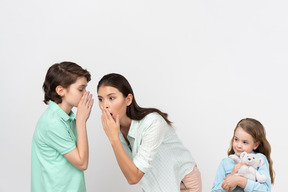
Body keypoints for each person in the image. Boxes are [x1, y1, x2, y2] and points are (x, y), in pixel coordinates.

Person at [97, 73, 202, 192]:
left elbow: (133, 177)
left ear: (128, 99)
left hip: (182, 181)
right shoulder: (116, 130)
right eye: (100, 99)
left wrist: (114, 139)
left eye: (111, 98)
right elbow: (130, 172)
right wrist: (114, 137)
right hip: (153, 185)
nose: (104, 106)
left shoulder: (153, 123)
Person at [31, 62, 94, 192]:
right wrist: (81, 121)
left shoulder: (66, 118)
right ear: (60, 90)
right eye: (81, 89)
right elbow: (82, 163)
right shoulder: (52, 122)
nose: (85, 94)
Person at [211, 118, 275, 191]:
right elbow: (214, 190)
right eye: (236, 139)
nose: (238, 145)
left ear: (255, 145)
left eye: (245, 142)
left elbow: (265, 189)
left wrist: (240, 181)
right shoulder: (225, 162)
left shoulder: (259, 159)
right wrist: (232, 175)